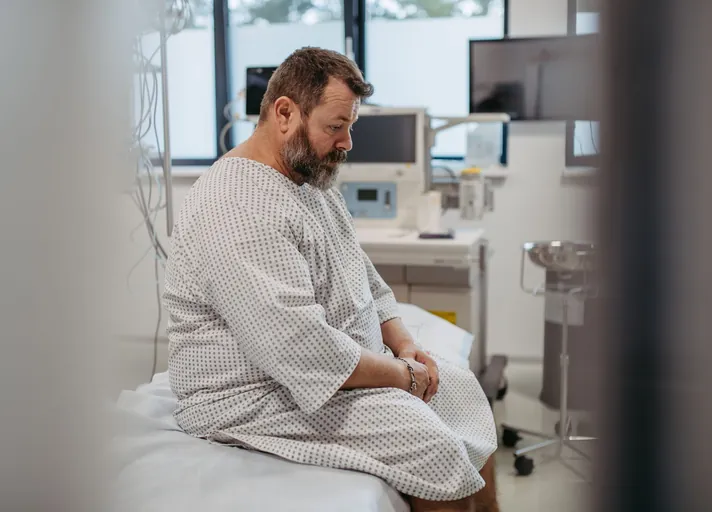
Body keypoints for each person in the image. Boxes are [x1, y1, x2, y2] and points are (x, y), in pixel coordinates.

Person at [163, 47, 499, 512]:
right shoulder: (234, 205)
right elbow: (298, 348)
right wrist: (402, 377)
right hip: (256, 394)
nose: (347, 143)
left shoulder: (308, 183)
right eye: (336, 127)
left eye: (350, 128)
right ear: (285, 113)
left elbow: (359, 272)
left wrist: (403, 344)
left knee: (462, 391)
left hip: (329, 370)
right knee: (434, 449)